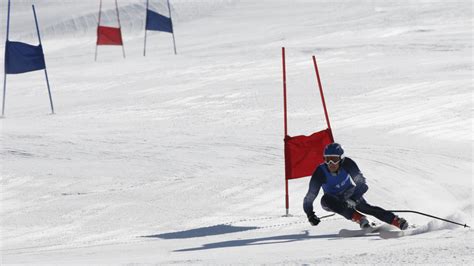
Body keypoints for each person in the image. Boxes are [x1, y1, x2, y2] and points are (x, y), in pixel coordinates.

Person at [303, 142, 408, 230]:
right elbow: (309, 197)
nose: (331, 163)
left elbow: (362, 183)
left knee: (365, 207)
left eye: (334, 159)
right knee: (325, 199)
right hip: (333, 199)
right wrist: (310, 215)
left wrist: (353, 198)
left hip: (349, 193)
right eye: (327, 159)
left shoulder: (348, 164)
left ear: (341, 159)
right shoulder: (320, 172)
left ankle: (396, 221)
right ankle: (360, 218)